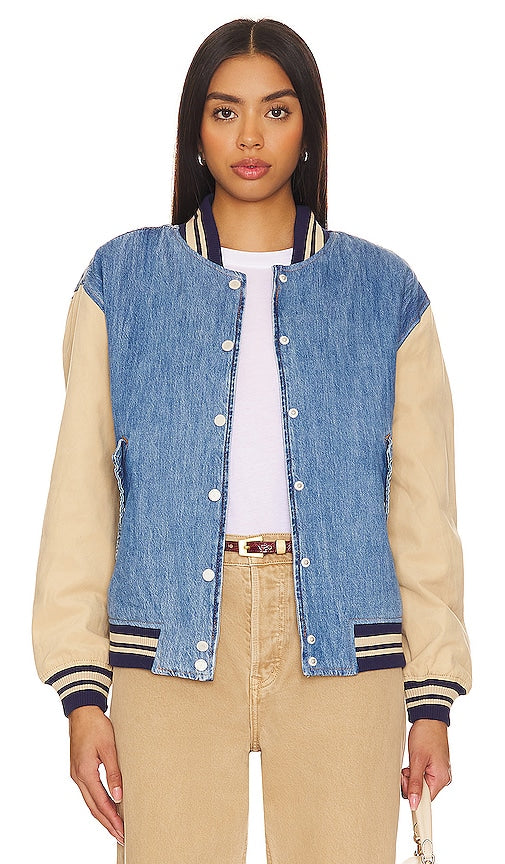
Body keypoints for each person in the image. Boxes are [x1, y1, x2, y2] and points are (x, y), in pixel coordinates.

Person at [31, 17, 472, 864]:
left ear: (308, 128)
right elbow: (81, 495)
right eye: (224, 111)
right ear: (194, 129)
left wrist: (431, 700)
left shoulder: (384, 291)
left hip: (345, 645)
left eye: (275, 110)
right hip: (166, 643)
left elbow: (422, 511)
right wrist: (82, 696)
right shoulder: (122, 280)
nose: (249, 137)